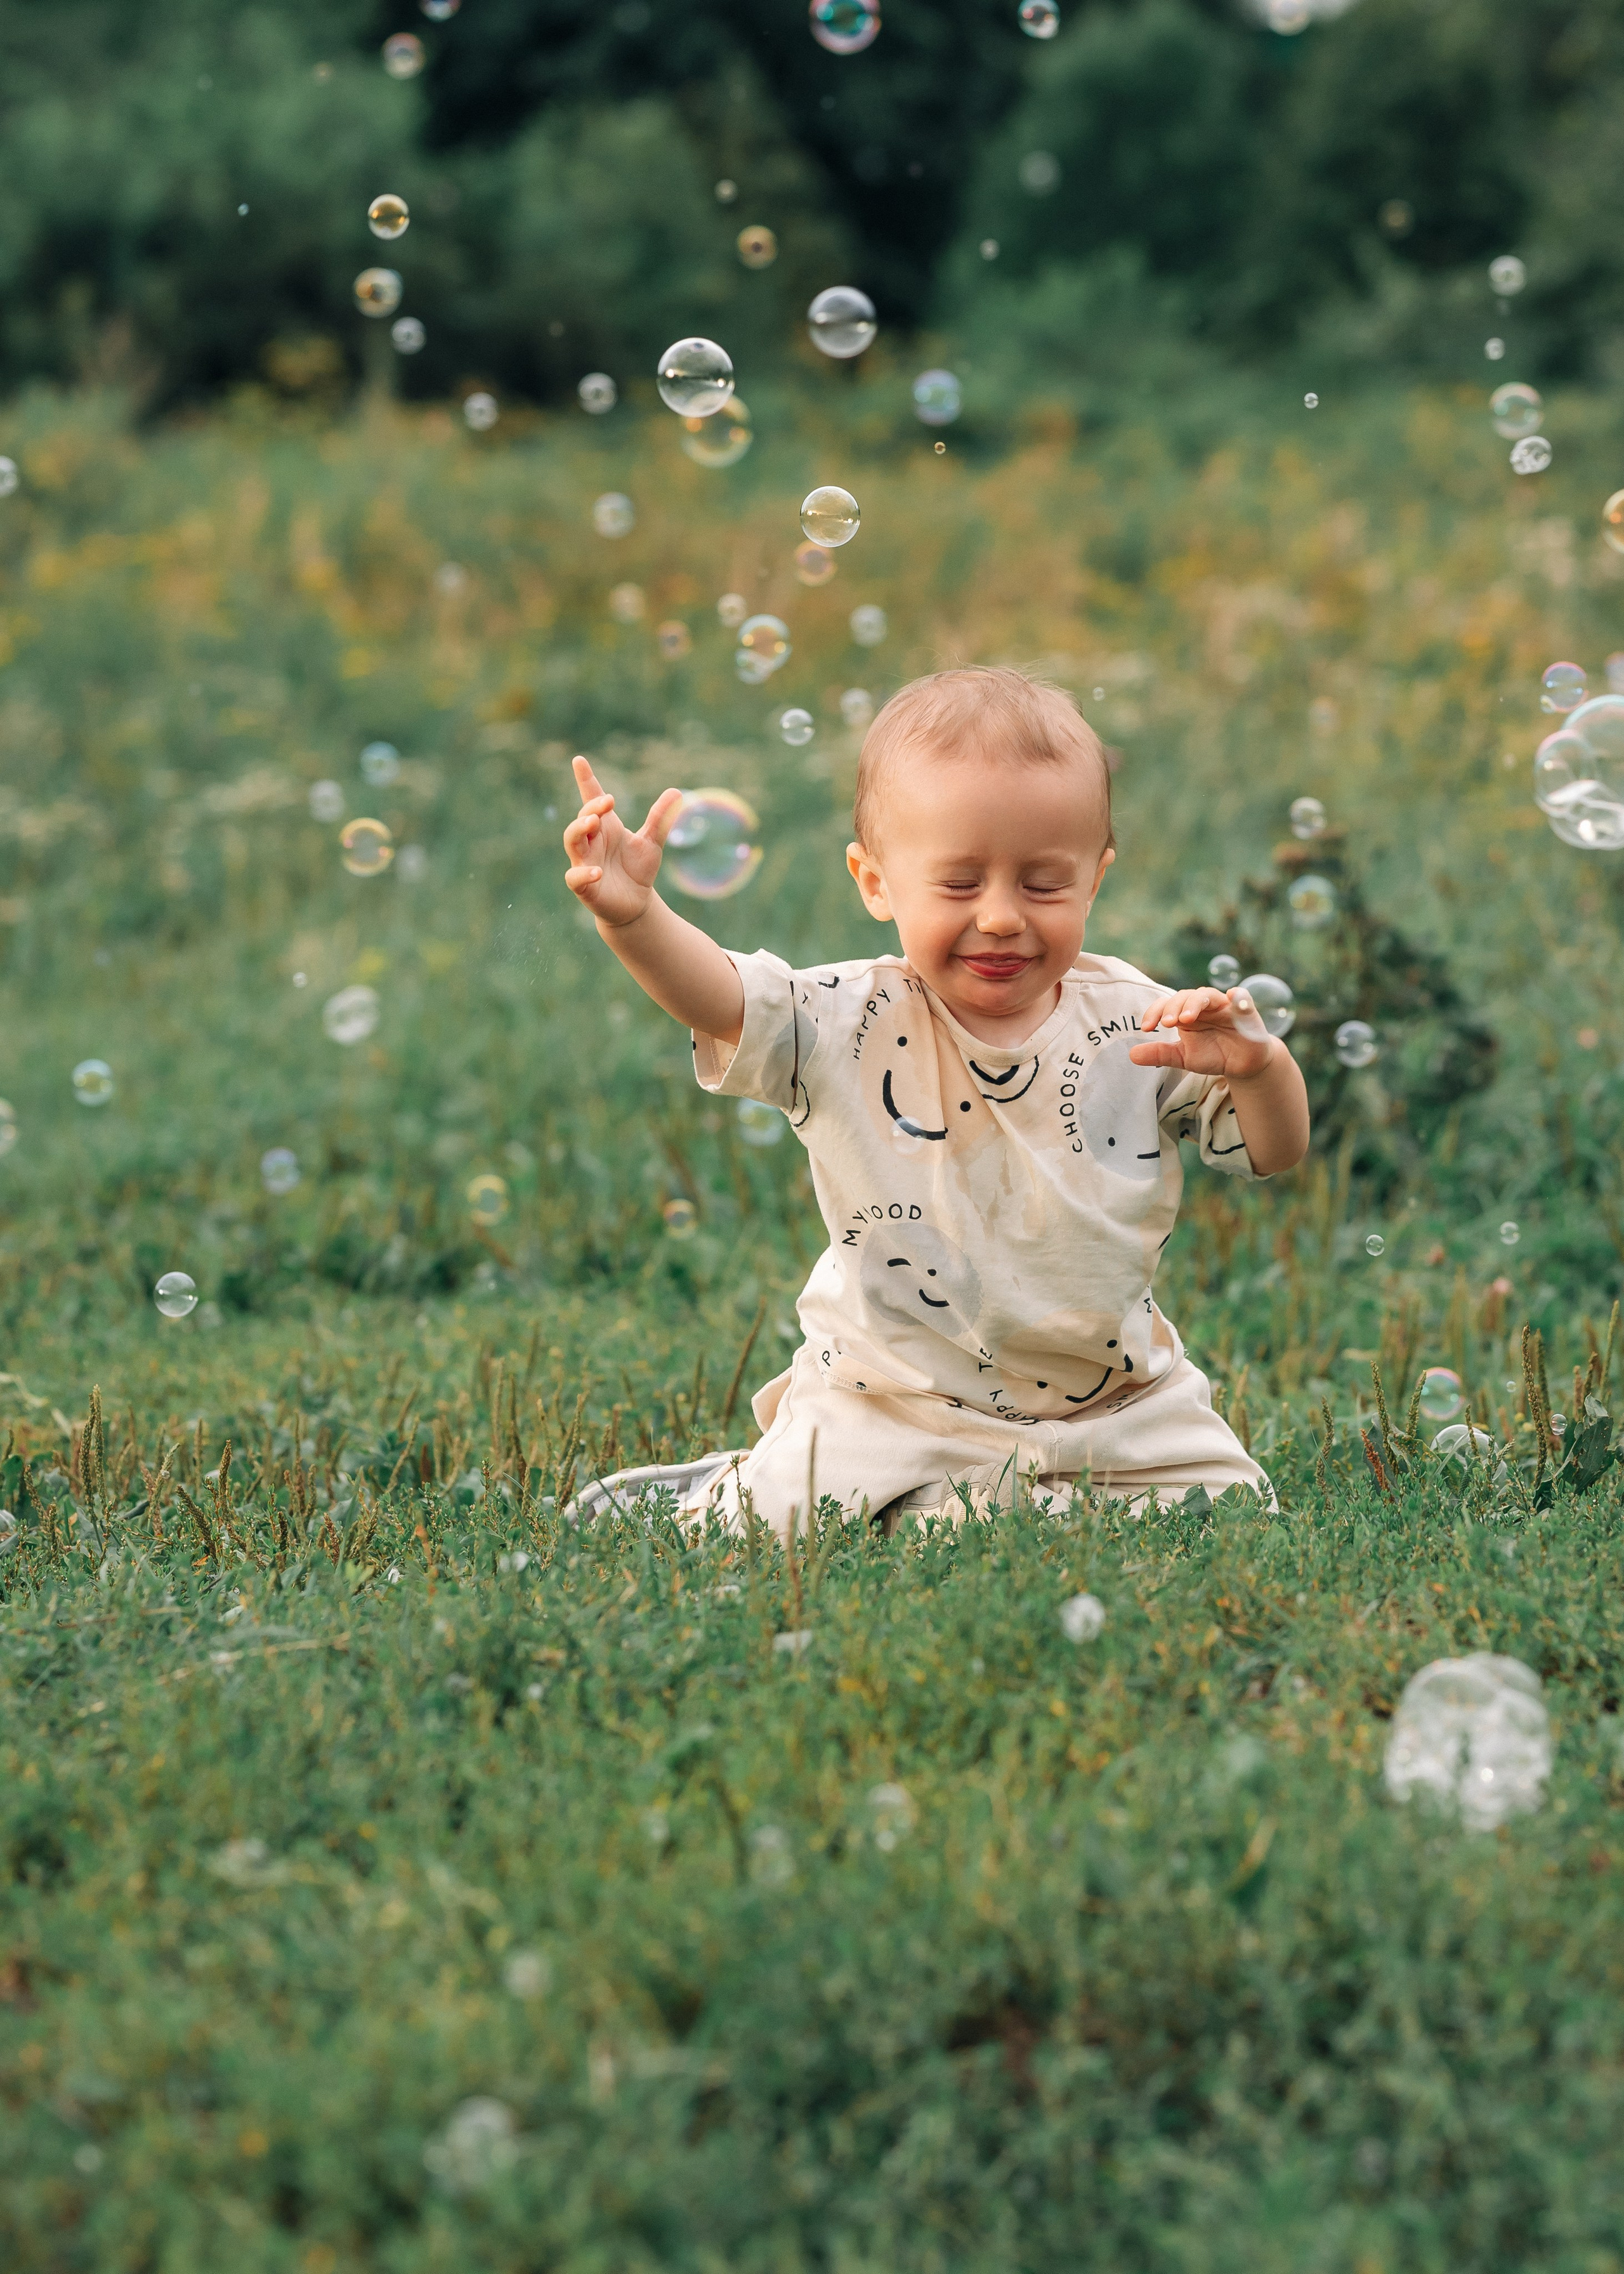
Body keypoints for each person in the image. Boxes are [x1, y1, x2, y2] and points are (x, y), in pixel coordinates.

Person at [561, 666, 1309, 1537]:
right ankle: (721, 1489)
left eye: (1043, 885)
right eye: (959, 885)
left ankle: (995, 1499)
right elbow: (719, 996)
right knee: (774, 1528)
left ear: (1095, 880)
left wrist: (1258, 1070)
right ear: (875, 882)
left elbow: (1273, 1150)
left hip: (1115, 1401)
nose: (1000, 917)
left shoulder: (1138, 1025)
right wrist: (632, 917)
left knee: (1236, 1514)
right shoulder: (843, 1019)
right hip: (890, 1399)